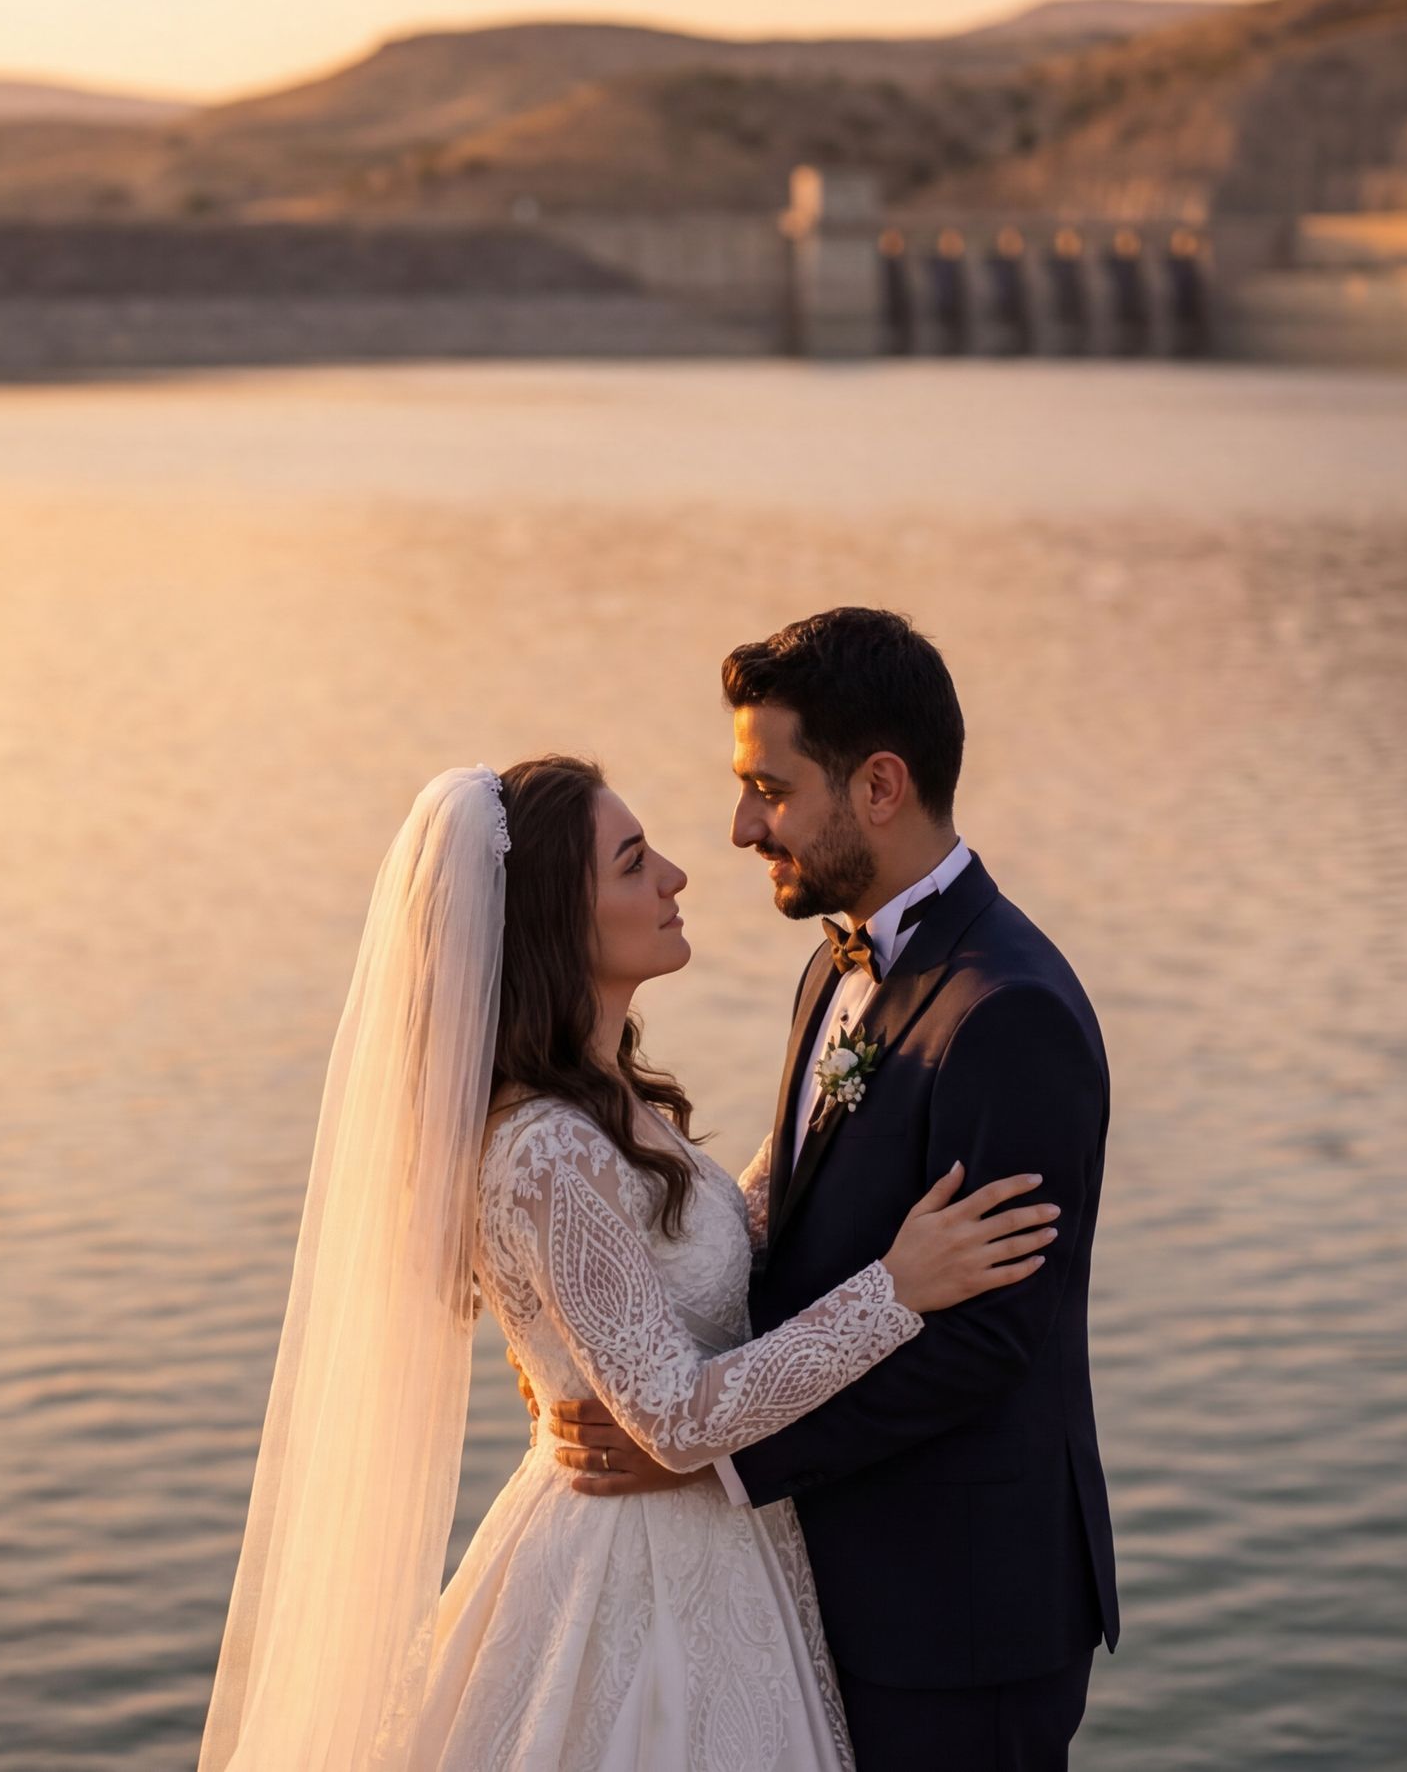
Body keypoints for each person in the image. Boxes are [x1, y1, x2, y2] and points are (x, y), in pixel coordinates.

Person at [200, 753, 1057, 1771]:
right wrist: (894, 1292)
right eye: (633, 863)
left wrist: (836, 1111)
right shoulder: (545, 1148)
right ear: (558, 926)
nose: (677, 877)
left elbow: (690, 1243)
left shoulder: (602, 1108)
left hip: (712, 1556)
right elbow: (678, 1420)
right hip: (632, 1582)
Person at [540, 608, 1120, 1768]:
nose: (744, 825)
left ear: (880, 787)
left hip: (957, 1614)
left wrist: (707, 1456)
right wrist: (583, 1330)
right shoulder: (835, 966)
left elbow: (983, 1342)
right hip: (825, 1586)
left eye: (771, 787)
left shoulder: (1008, 1016)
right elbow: (784, 1232)